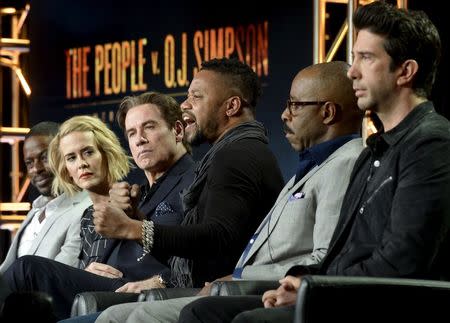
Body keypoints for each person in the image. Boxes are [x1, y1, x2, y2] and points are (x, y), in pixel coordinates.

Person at [178, 2, 450, 322]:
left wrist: (314, 285)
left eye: (366, 58)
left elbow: (402, 260)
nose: (352, 72)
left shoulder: (431, 142)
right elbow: (343, 251)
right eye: (354, 59)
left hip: (385, 302)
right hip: (347, 292)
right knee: (205, 311)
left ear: (405, 71)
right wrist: (300, 279)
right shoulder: (376, 151)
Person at [94, 60, 365, 323]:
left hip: (259, 292)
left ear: (231, 106)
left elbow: (218, 236)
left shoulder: (239, 153)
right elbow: (203, 252)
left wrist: (133, 229)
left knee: (124, 316)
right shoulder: (267, 158)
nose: (185, 106)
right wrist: (137, 222)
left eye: (196, 97)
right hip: (232, 286)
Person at [3, 92, 195, 320]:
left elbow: (199, 252)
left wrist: (162, 280)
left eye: (149, 127)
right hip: (105, 290)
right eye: (132, 132)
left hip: (136, 291)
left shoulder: (193, 180)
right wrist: (88, 271)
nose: (139, 139)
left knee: (26, 270)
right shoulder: (138, 194)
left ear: (178, 130)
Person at [0, 122, 91, 274]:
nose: (36, 168)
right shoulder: (34, 211)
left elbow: (57, 277)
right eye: (29, 163)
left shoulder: (85, 209)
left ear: (65, 155)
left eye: (44, 157)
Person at [48, 115, 131, 269]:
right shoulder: (86, 219)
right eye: (71, 158)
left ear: (107, 154)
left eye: (88, 152)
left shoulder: (133, 200)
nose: (82, 164)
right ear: (67, 171)